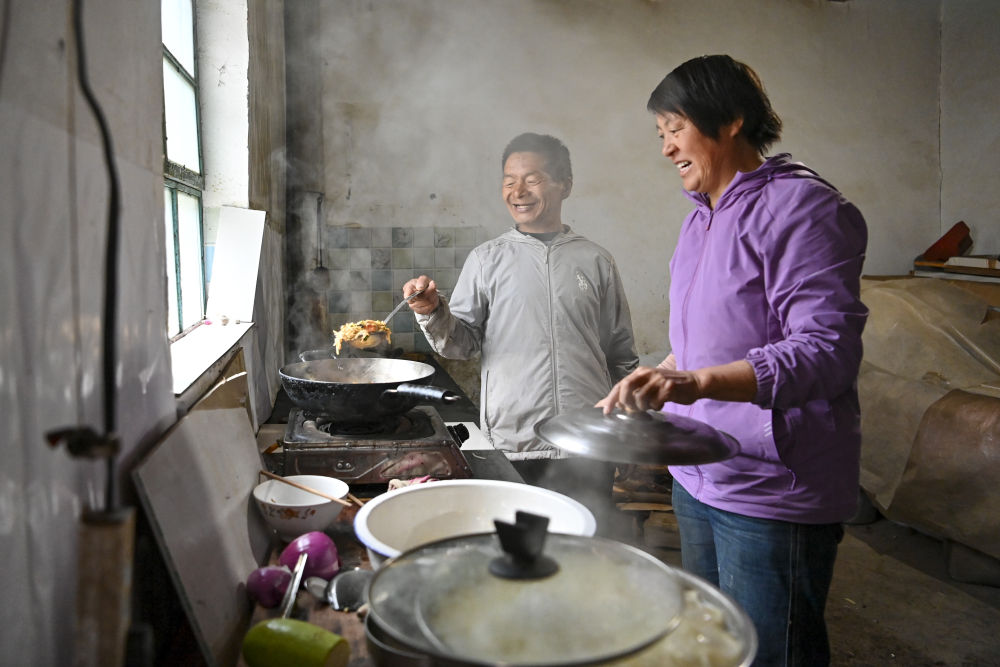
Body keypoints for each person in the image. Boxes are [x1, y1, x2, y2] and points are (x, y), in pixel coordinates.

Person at [597, 55, 868, 666]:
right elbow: (703, 345)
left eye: (676, 128)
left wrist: (695, 382)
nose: (666, 148)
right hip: (701, 473)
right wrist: (662, 373)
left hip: (773, 488)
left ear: (731, 120)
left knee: (771, 653)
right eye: (660, 134)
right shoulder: (700, 220)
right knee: (711, 645)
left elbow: (826, 350)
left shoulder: (804, 209)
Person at [403, 132, 639, 533]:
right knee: (521, 554)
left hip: (587, 441)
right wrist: (432, 312)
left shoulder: (595, 260)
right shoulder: (487, 260)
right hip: (515, 441)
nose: (518, 191)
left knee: (585, 546)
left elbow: (621, 354)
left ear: (565, 184)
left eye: (533, 179)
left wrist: (628, 430)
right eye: (509, 180)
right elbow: (461, 344)